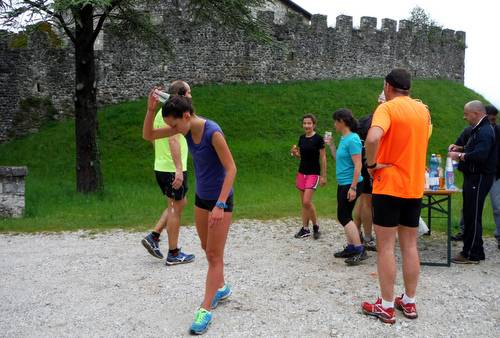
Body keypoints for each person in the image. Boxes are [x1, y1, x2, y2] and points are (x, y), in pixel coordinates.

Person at [143, 93, 237, 335]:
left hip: (220, 201)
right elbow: (149, 136)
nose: (172, 129)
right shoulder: (184, 129)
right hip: (201, 199)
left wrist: (220, 204)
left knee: (214, 255)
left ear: (186, 116)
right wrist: (150, 110)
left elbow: (231, 169)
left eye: (174, 124)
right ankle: (221, 287)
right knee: (207, 249)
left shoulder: (212, 132)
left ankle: (204, 309)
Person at [362, 68, 430, 324]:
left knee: (386, 248)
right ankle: (409, 302)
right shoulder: (423, 110)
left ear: (388, 86)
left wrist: (371, 164)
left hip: (389, 184)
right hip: (413, 186)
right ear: (408, 88)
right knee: (410, 245)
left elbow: (373, 137)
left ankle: (387, 305)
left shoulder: (387, 108)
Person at [141, 81, 195, 265]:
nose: (191, 95)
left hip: (162, 166)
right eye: (188, 92)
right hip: (172, 168)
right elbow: (173, 140)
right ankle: (173, 253)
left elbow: (151, 137)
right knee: (174, 209)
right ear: (181, 94)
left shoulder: (160, 113)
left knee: (179, 203)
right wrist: (178, 169)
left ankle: (154, 236)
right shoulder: (175, 114)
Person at [449, 101, 497, 263]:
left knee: (472, 214)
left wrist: (460, 156)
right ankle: (477, 250)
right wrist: (461, 148)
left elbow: (481, 154)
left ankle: (471, 254)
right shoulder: (479, 129)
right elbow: (476, 148)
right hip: (474, 176)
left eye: (466, 114)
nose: (464, 117)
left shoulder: (484, 131)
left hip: (480, 176)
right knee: (471, 214)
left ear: (476, 113)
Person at [325, 108, 366, 266]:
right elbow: (339, 159)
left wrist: (353, 187)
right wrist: (332, 146)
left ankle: (359, 249)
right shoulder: (344, 138)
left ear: (342, 122)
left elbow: (358, 165)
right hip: (344, 183)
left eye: (336, 121)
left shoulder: (353, 139)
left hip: (351, 183)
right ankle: (351, 247)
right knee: (346, 215)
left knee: (343, 216)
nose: (334, 124)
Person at [353, 90, 386, 251]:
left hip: (364, 162)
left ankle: (357, 233)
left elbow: (357, 142)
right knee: (368, 201)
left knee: (363, 200)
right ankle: (367, 237)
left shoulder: (366, 119)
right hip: (374, 164)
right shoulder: (380, 120)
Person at [291, 114, 327, 239]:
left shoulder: (318, 139)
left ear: (314, 124)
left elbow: (323, 157)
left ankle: (316, 226)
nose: (307, 125)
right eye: (305, 123)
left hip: (313, 173)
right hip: (302, 173)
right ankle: (305, 229)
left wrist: (323, 176)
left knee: (307, 201)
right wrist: (296, 153)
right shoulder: (301, 138)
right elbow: (303, 156)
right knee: (303, 203)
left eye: (309, 123)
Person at [485, 105, 500, 250]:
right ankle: (464, 231)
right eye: (491, 118)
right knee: (470, 206)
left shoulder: (499, 131)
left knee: (498, 207)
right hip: (479, 174)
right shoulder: (473, 130)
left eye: (495, 119)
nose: (493, 122)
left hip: (495, 174)